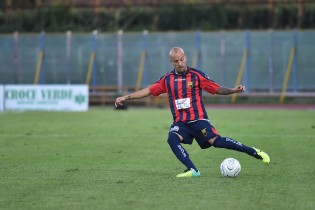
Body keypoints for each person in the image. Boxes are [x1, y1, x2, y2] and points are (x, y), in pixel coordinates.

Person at [115, 47, 270, 178]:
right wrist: (126, 97)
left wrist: (233, 90)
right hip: (180, 122)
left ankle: (253, 151)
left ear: (185, 58)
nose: (180, 63)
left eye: (181, 59)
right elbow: (148, 91)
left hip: (198, 119)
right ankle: (193, 170)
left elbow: (216, 89)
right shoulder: (167, 79)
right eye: (176, 61)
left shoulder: (196, 75)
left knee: (217, 142)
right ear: (171, 62)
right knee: (172, 138)